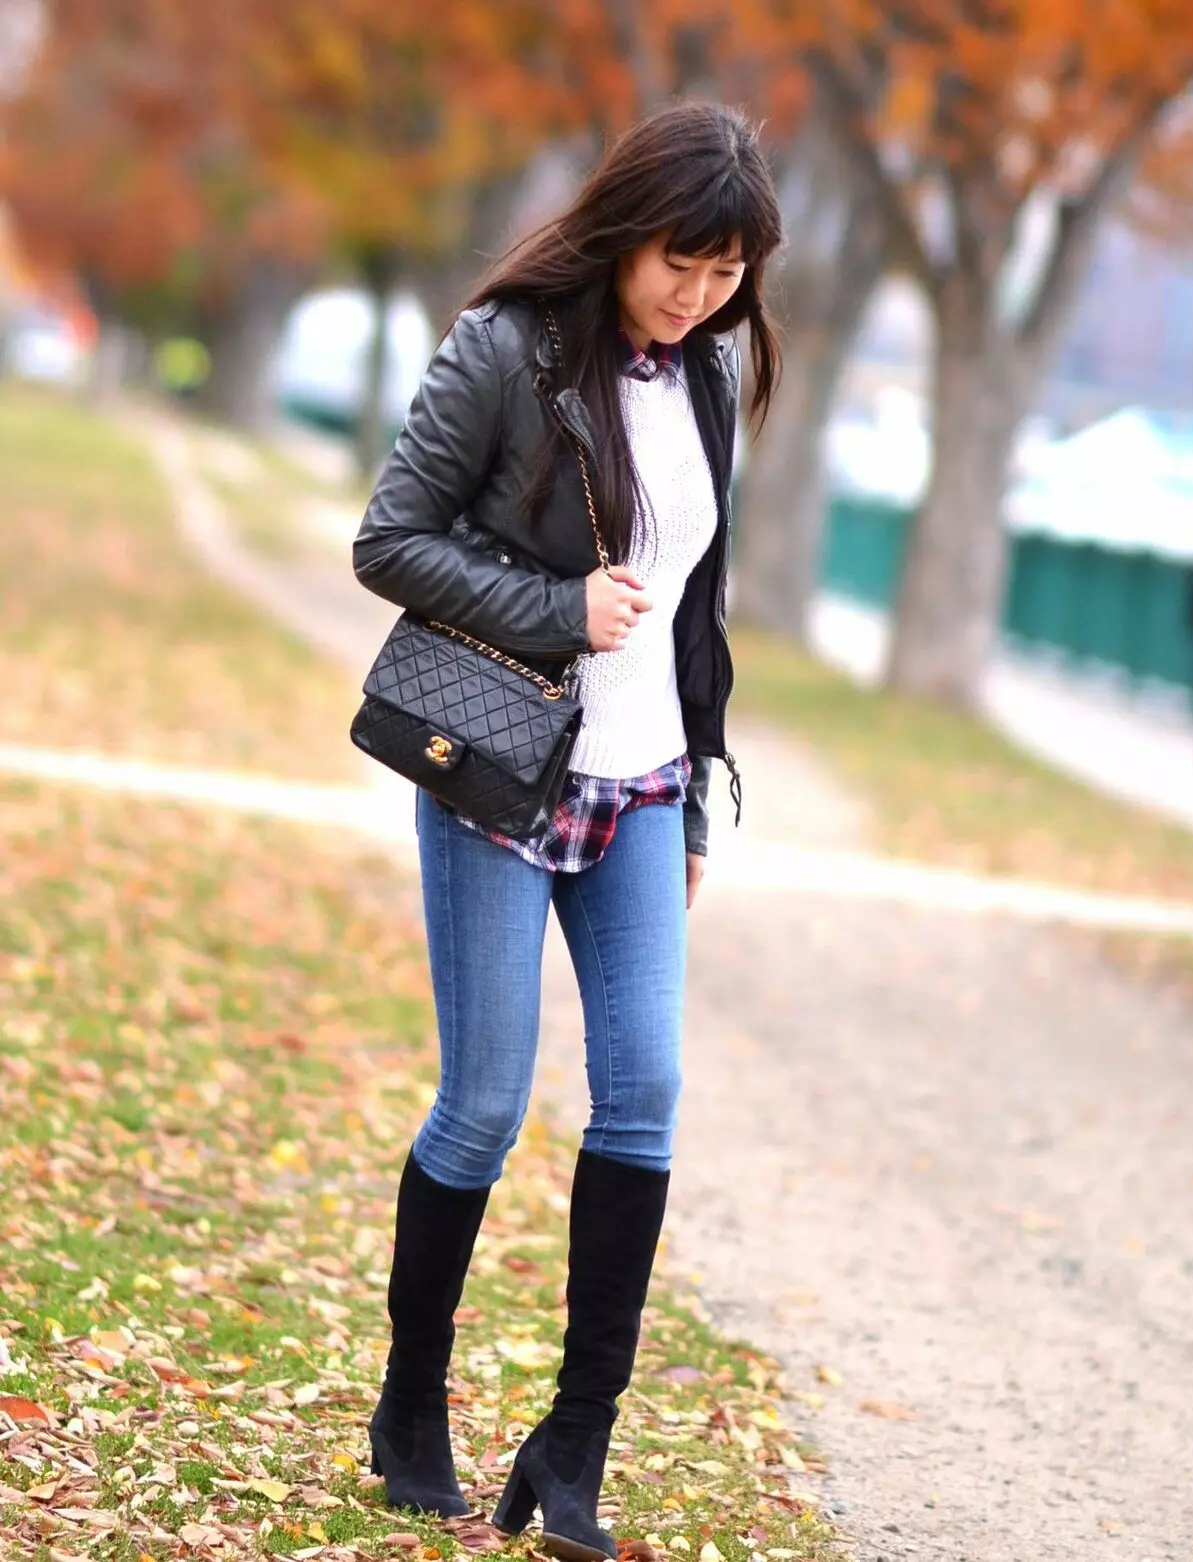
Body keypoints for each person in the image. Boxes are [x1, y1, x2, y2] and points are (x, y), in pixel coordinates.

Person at [352, 100, 783, 1561]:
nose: (698, 293)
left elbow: (696, 605)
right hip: (501, 769)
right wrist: (555, 610)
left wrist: (703, 780)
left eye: (727, 274)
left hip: (645, 785)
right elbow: (388, 537)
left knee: (646, 1091)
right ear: (627, 226)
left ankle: (574, 1442)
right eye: (682, 260)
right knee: (482, 1100)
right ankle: (413, 1403)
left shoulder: (708, 379)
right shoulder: (509, 347)